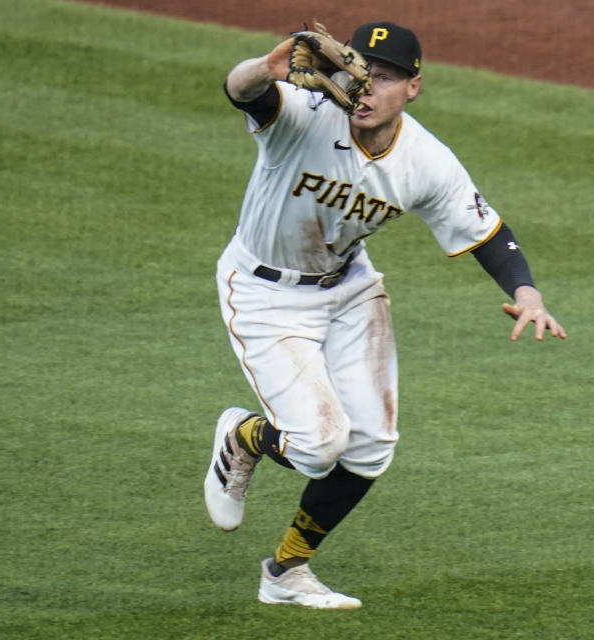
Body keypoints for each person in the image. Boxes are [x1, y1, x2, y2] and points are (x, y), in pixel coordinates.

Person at [204, 21, 566, 610]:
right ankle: (243, 436)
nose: (367, 86)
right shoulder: (304, 111)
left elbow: (487, 233)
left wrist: (527, 294)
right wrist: (265, 67)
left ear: (414, 88)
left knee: (369, 447)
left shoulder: (426, 160)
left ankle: (287, 572)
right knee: (319, 446)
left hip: (349, 288)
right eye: (360, 71)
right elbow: (242, 92)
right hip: (265, 292)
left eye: (387, 76)